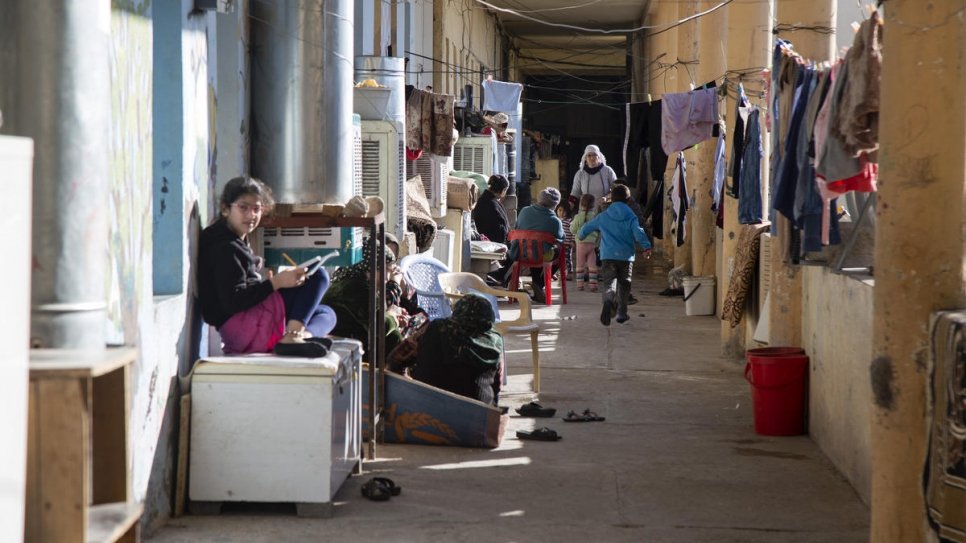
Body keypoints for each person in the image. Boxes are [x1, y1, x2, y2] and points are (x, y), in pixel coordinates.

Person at [198, 176, 335, 357]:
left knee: (326, 313)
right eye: (243, 207)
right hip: (244, 326)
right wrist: (276, 283)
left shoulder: (230, 238)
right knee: (318, 276)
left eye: (257, 209)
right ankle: (292, 339)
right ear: (225, 208)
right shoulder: (225, 247)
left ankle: (301, 336)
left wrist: (267, 283)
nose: (251, 215)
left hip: (239, 330)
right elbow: (233, 302)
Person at [578, 183, 652, 326]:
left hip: (608, 255)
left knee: (608, 283)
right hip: (626, 257)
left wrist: (581, 235)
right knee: (624, 284)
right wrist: (646, 247)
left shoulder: (604, 215)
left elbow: (588, 227)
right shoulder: (631, 215)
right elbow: (638, 232)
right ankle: (622, 314)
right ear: (628, 200)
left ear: (611, 199)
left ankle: (607, 301)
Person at [410, 294, 503, 406]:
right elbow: (497, 386)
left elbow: (401, 361)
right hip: (481, 412)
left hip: (433, 407)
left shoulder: (438, 328)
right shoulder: (495, 340)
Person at [322, 238, 406, 355]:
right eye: (385, 270)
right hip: (342, 349)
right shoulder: (356, 287)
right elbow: (380, 326)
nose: (387, 278)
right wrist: (392, 315)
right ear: (370, 266)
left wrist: (393, 316)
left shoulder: (355, 282)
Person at [510, 187, 565, 303]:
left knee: (535, 250)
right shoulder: (555, 221)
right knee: (557, 252)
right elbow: (561, 239)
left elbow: (516, 228)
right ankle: (539, 284)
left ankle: (537, 289)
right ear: (555, 205)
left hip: (522, 254)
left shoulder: (524, 211)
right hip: (542, 256)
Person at [570, 193, 599, 292]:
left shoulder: (578, 217)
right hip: (592, 244)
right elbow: (599, 230)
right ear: (593, 205)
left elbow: (572, 230)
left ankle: (580, 285)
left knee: (580, 265)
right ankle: (593, 285)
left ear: (581, 204)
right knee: (592, 266)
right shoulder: (595, 216)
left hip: (580, 245)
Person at [472, 174, 511, 244]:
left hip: (485, 242)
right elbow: (501, 230)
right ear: (503, 190)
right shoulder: (492, 204)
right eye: (505, 190)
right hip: (493, 244)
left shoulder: (483, 200)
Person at [556, 199, 575, 278]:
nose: (561, 213)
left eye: (564, 211)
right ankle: (558, 273)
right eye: (560, 210)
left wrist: (573, 241)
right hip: (558, 244)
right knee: (557, 259)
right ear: (556, 210)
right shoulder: (556, 220)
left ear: (567, 212)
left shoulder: (569, 221)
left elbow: (573, 232)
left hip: (567, 244)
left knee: (567, 259)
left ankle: (569, 273)